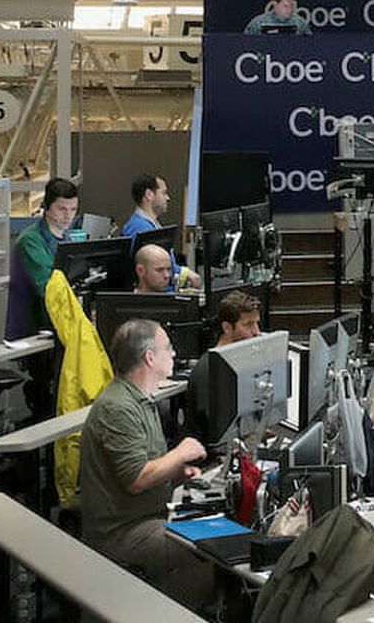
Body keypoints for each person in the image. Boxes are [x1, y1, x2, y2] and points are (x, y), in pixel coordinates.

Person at [77, 319, 217, 613]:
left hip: (145, 517)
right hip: (121, 533)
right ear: (149, 357)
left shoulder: (141, 400)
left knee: (216, 531)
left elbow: (149, 464)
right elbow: (137, 479)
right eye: (168, 348)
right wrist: (180, 454)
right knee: (210, 550)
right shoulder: (118, 408)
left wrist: (178, 472)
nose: (175, 353)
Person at [182, 292, 262, 442]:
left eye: (256, 323)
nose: (256, 332)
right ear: (227, 327)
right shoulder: (209, 370)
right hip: (209, 455)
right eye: (248, 325)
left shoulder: (244, 362)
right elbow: (216, 429)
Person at [6, 176, 79, 340]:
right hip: (35, 328)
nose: (68, 216)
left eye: (73, 209)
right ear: (46, 207)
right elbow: (48, 288)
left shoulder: (66, 237)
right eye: (62, 209)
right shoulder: (30, 241)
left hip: (58, 321)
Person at [243, 0, 312, 35]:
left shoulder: (301, 23)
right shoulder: (259, 22)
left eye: (292, 6)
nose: (290, 10)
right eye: (285, 6)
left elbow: (309, 44)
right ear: (275, 5)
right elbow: (246, 42)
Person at [133, 243, 197, 294]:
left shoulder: (177, 301)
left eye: (168, 269)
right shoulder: (129, 306)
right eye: (159, 270)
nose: (167, 275)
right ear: (140, 271)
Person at [122, 174, 170, 240]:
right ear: (149, 195)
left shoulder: (149, 226)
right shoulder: (139, 228)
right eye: (164, 193)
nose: (168, 198)